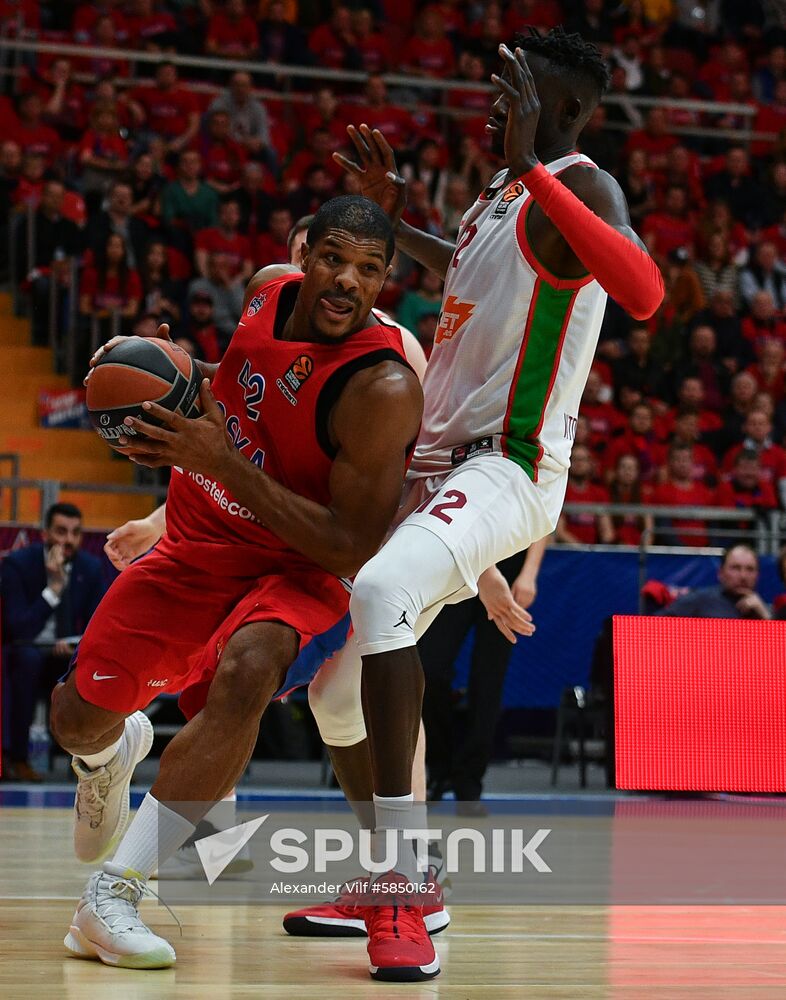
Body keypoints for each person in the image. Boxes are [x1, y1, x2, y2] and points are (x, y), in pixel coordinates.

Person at [334, 27, 663, 982]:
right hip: (438, 462)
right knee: (334, 696)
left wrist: (532, 161)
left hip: (507, 463)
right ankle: (401, 877)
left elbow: (640, 293)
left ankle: (400, 888)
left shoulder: (581, 182)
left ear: (556, 111)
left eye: (514, 87)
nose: (492, 98)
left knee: (381, 592)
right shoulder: (498, 197)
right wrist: (395, 221)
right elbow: (465, 276)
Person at [51, 196, 424, 970]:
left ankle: (112, 895)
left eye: (369, 270)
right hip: (195, 540)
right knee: (74, 719)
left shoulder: (381, 387)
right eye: (334, 259)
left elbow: (351, 545)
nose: (346, 282)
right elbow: (234, 388)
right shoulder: (264, 292)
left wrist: (219, 462)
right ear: (304, 252)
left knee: (250, 670)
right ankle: (108, 757)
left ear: (385, 280)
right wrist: (161, 390)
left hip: (298, 568)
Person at [419, 538, 548, 813]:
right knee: (429, 668)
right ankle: (439, 768)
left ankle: (469, 783)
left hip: (511, 559)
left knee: (488, 679)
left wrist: (530, 573)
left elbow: (545, 508)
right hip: (464, 557)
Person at [1, 504, 106, 782]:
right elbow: (18, 627)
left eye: (75, 533)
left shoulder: (90, 567)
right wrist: (54, 589)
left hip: (65, 653)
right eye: (61, 531)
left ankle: (90, 759)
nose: (68, 540)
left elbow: (100, 622)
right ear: (45, 533)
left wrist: (77, 646)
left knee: (91, 664)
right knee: (27, 659)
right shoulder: (18, 564)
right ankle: (18, 758)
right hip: (26, 651)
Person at [659, 544, 772, 619]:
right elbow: (656, 625)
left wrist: (765, 616)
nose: (743, 576)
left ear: (758, 575)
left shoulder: (762, 609)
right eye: (736, 568)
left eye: (750, 569)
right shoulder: (699, 600)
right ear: (720, 573)